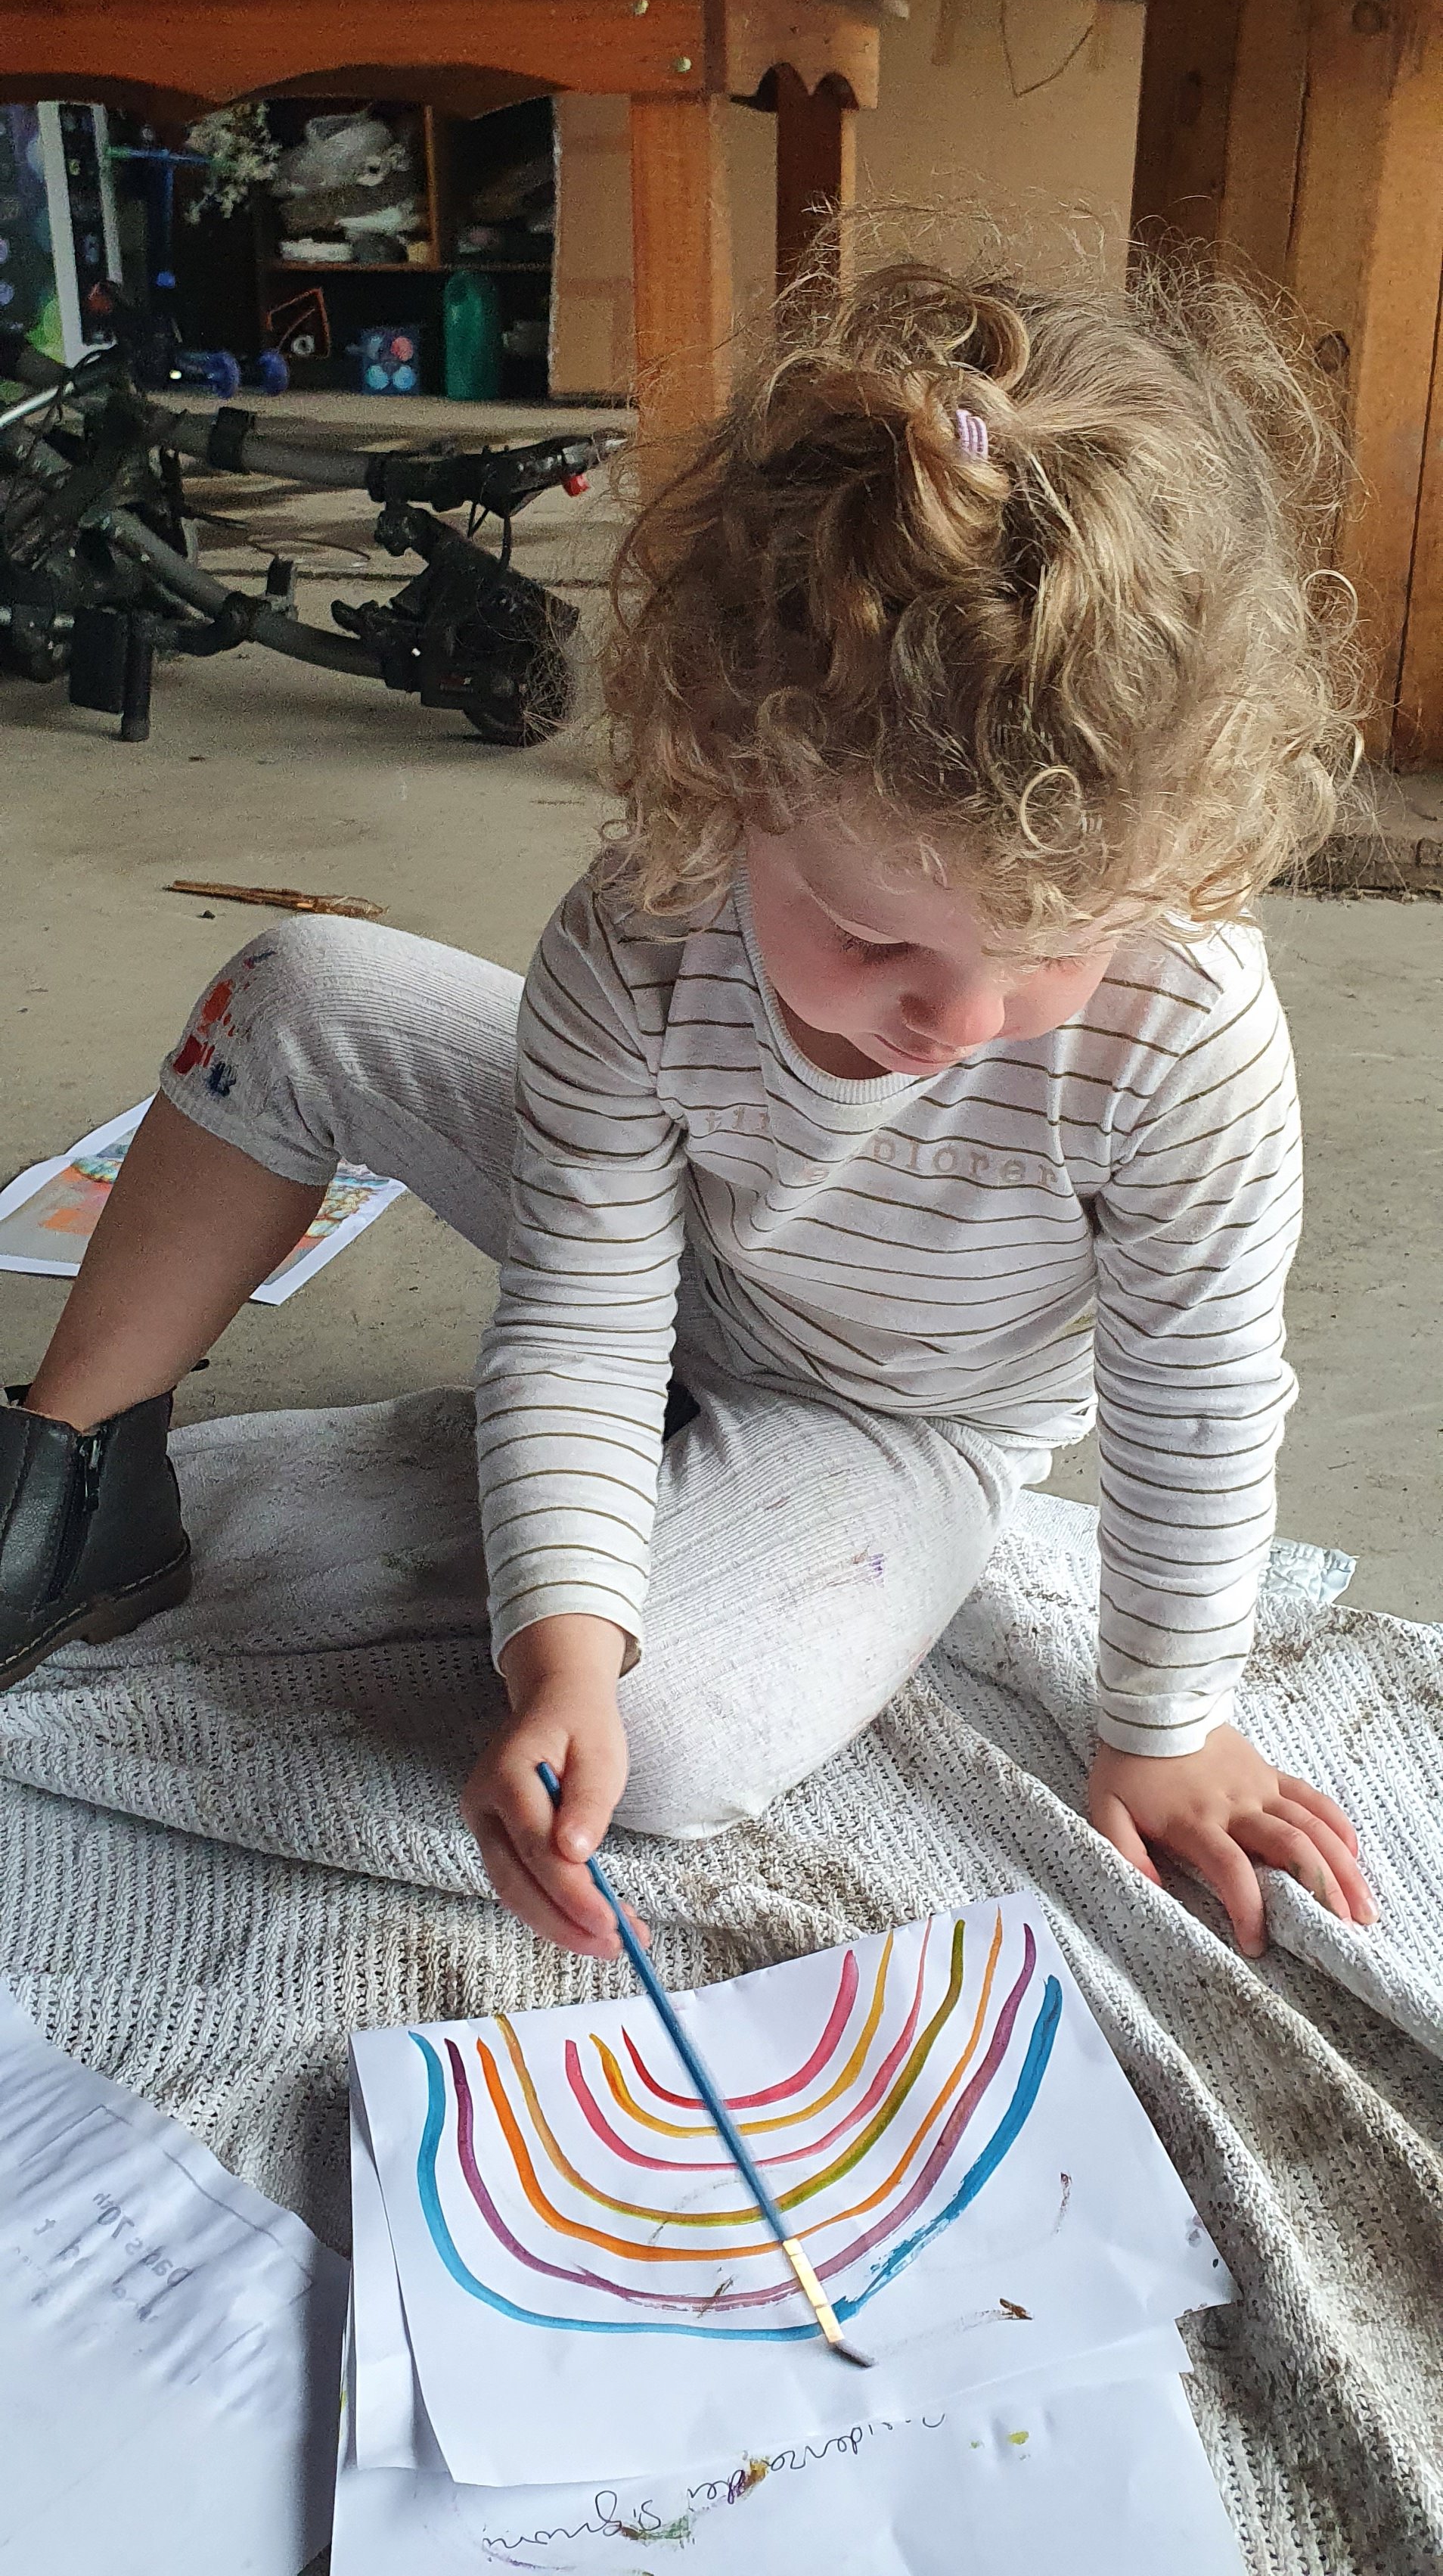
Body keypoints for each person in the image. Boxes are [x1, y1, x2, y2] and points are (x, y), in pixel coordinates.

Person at [1, 256, 1379, 1970]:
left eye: (1048, 952)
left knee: (665, 1742)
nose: (955, 1023)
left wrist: (1167, 1719)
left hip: (903, 1413)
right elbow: (584, 1315)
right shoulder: (642, 925)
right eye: (871, 935)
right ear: (721, 783)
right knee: (297, 996)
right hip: (682, 1256)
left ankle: (694, 1487)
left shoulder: (1189, 1023)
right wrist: (559, 1647)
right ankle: (73, 1478)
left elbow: (1199, 1391)